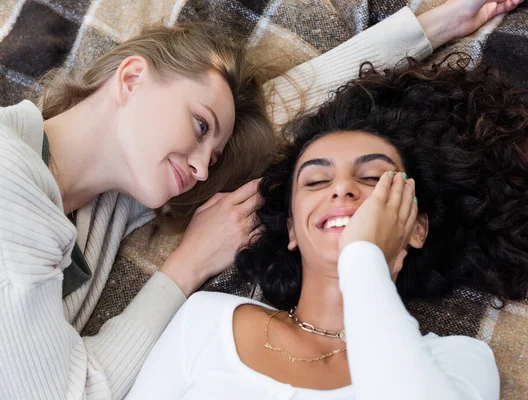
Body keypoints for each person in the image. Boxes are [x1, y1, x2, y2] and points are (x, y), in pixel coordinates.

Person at [0, 0, 520, 398]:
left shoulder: (94, 190)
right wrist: (184, 268)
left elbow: (283, 113)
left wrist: (427, 27)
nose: (205, 166)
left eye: (214, 151)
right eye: (202, 127)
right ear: (131, 79)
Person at [125, 58, 528, 399]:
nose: (342, 188)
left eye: (373, 178)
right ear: (292, 231)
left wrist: (365, 261)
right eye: (316, 181)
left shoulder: (460, 361)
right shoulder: (207, 320)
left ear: (416, 227)